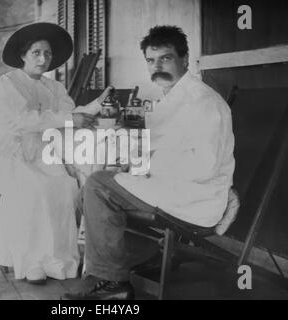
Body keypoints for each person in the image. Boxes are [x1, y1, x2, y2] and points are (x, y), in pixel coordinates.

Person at [62, 25, 235, 300]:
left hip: (194, 199)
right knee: (94, 186)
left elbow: (205, 167)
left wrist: (146, 165)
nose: (157, 66)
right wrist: (133, 163)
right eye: (151, 61)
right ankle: (130, 260)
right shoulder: (167, 100)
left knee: (97, 185)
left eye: (165, 58)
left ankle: (112, 282)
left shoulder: (201, 102)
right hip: (171, 189)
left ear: (185, 59)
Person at [0, 22, 110, 284]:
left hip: (44, 151)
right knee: (33, 188)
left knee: (64, 185)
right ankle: (31, 261)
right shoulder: (8, 82)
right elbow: (24, 120)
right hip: (12, 151)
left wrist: (94, 107)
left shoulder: (54, 88)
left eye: (47, 54)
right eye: (36, 52)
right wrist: (70, 119)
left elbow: (70, 114)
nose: (43, 58)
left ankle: (56, 258)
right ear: (23, 55)